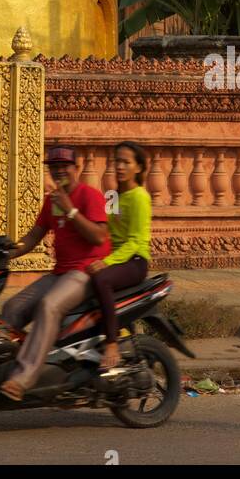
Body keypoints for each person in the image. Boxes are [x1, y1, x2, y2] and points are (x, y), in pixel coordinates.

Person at [0, 147, 109, 400]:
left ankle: (24, 378)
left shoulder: (89, 196)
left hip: (85, 271)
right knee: (13, 307)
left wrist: (71, 210)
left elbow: (98, 236)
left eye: (64, 166)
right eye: (53, 166)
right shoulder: (52, 201)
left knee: (49, 306)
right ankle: (6, 368)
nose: (59, 171)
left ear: (76, 169)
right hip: (60, 273)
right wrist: (7, 253)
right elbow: (34, 236)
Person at [86, 141, 152, 377]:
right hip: (116, 257)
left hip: (135, 261)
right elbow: (108, 234)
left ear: (139, 167)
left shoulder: (139, 197)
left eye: (126, 162)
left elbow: (135, 240)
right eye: (117, 161)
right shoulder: (113, 196)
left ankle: (112, 342)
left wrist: (107, 262)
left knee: (101, 280)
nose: (120, 166)